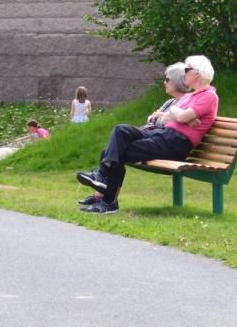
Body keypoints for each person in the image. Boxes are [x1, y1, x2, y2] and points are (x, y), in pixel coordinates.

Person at [75, 55, 219, 214]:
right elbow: (168, 118)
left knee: (116, 152)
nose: (184, 74)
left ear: (197, 74)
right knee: (121, 130)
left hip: (175, 144)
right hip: (163, 135)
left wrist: (177, 113)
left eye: (187, 70)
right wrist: (180, 115)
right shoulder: (192, 96)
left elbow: (179, 116)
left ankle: (107, 197)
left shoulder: (209, 96)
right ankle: (103, 183)